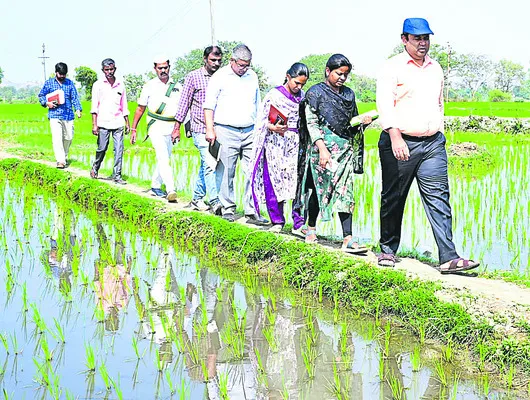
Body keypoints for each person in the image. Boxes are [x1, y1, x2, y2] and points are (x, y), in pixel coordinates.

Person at [376, 18, 480, 273]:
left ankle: (448, 257)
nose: (423, 43)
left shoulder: (436, 68)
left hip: (433, 143)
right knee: (394, 197)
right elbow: (385, 104)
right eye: (417, 38)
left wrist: (439, 132)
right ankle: (388, 250)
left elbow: (438, 104)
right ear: (404, 40)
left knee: (439, 198)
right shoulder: (393, 67)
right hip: (400, 142)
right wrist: (396, 136)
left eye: (426, 38)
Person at [296, 54, 372, 253]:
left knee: (346, 193)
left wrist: (362, 122)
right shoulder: (315, 94)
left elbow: (350, 123)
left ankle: (348, 238)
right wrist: (322, 149)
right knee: (320, 189)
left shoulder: (348, 95)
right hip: (322, 150)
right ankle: (310, 228)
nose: (342, 78)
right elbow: (311, 124)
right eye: (339, 73)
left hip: (344, 149)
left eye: (346, 75)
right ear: (328, 71)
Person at [203, 44, 268, 225]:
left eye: (247, 65)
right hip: (225, 129)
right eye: (241, 65)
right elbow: (209, 105)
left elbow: (258, 103)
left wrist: (259, 129)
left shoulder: (252, 76)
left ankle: (251, 211)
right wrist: (210, 129)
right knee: (226, 172)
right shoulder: (220, 77)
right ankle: (228, 208)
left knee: (251, 172)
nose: (244, 68)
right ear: (232, 61)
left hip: (249, 130)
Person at [249, 63, 309, 232]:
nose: (299, 87)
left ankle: (299, 223)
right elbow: (261, 120)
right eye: (296, 83)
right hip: (274, 142)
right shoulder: (274, 95)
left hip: (293, 142)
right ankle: (277, 221)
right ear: (288, 77)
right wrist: (273, 127)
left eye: (302, 84)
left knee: (296, 181)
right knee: (274, 180)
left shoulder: (302, 97)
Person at [172, 46, 223, 214]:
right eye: (212, 60)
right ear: (205, 59)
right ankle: (215, 201)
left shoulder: (223, 77)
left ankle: (197, 198)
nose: (216, 63)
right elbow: (184, 102)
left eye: (218, 60)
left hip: (219, 128)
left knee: (206, 164)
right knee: (210, 164)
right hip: (200, 128)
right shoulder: (194, 77)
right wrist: (176, 127)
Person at [130, 56, 182, 203]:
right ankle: (171, 189)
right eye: (160, 68)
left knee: (166, 155)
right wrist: (133, 129)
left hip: (172, 126)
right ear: (155, 69)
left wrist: (180, 128)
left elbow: (183, 109)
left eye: (165, 67)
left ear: (169, 68)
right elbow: (140, 108)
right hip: (155, 125)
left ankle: (155, 185)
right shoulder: (149, 86)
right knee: (163, 156)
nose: (163, 70)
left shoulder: (177, 86)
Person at [89, 58, 130, 185]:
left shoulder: (120, 85)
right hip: (103, 122)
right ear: (103, 70)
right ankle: (95, 167)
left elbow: (124, 105)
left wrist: (127, 123)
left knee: (118, 149)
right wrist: (94, 124)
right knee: (102, 148)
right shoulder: (98, 85)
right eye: (107, 70)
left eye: (111, 69)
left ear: (115, 69)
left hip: (118, 122)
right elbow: (94, 106)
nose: (109, 72)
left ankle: (117, 175)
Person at [38, 62, 82, 169]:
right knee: (57, 138)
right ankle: (60, 161)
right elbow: (41, 96)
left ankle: (64, 156)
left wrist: (78, 109)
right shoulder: (49, 83)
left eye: (64, 74)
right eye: (60, 74)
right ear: (56, 72)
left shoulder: (69, 83)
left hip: (68, 115)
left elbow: (74, 97)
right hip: (54, 114)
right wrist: (46, 103)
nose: (62, 76)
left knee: (68, 137)